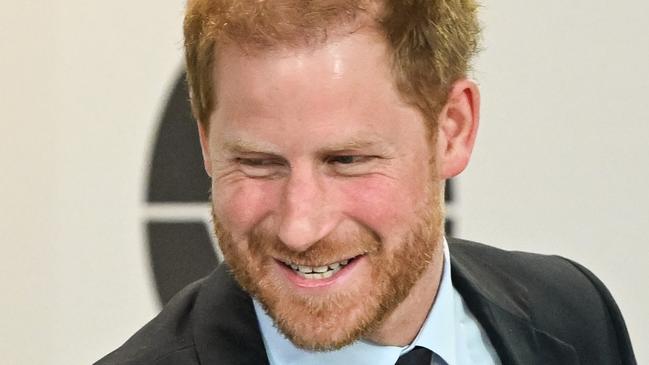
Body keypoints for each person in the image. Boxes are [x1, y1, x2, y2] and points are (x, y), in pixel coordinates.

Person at [96, 0, 636, 364]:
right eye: (259, 163)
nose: (300, 227)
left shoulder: (575, 315)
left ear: (452, 130)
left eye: (347, 159)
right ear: (207, 147)